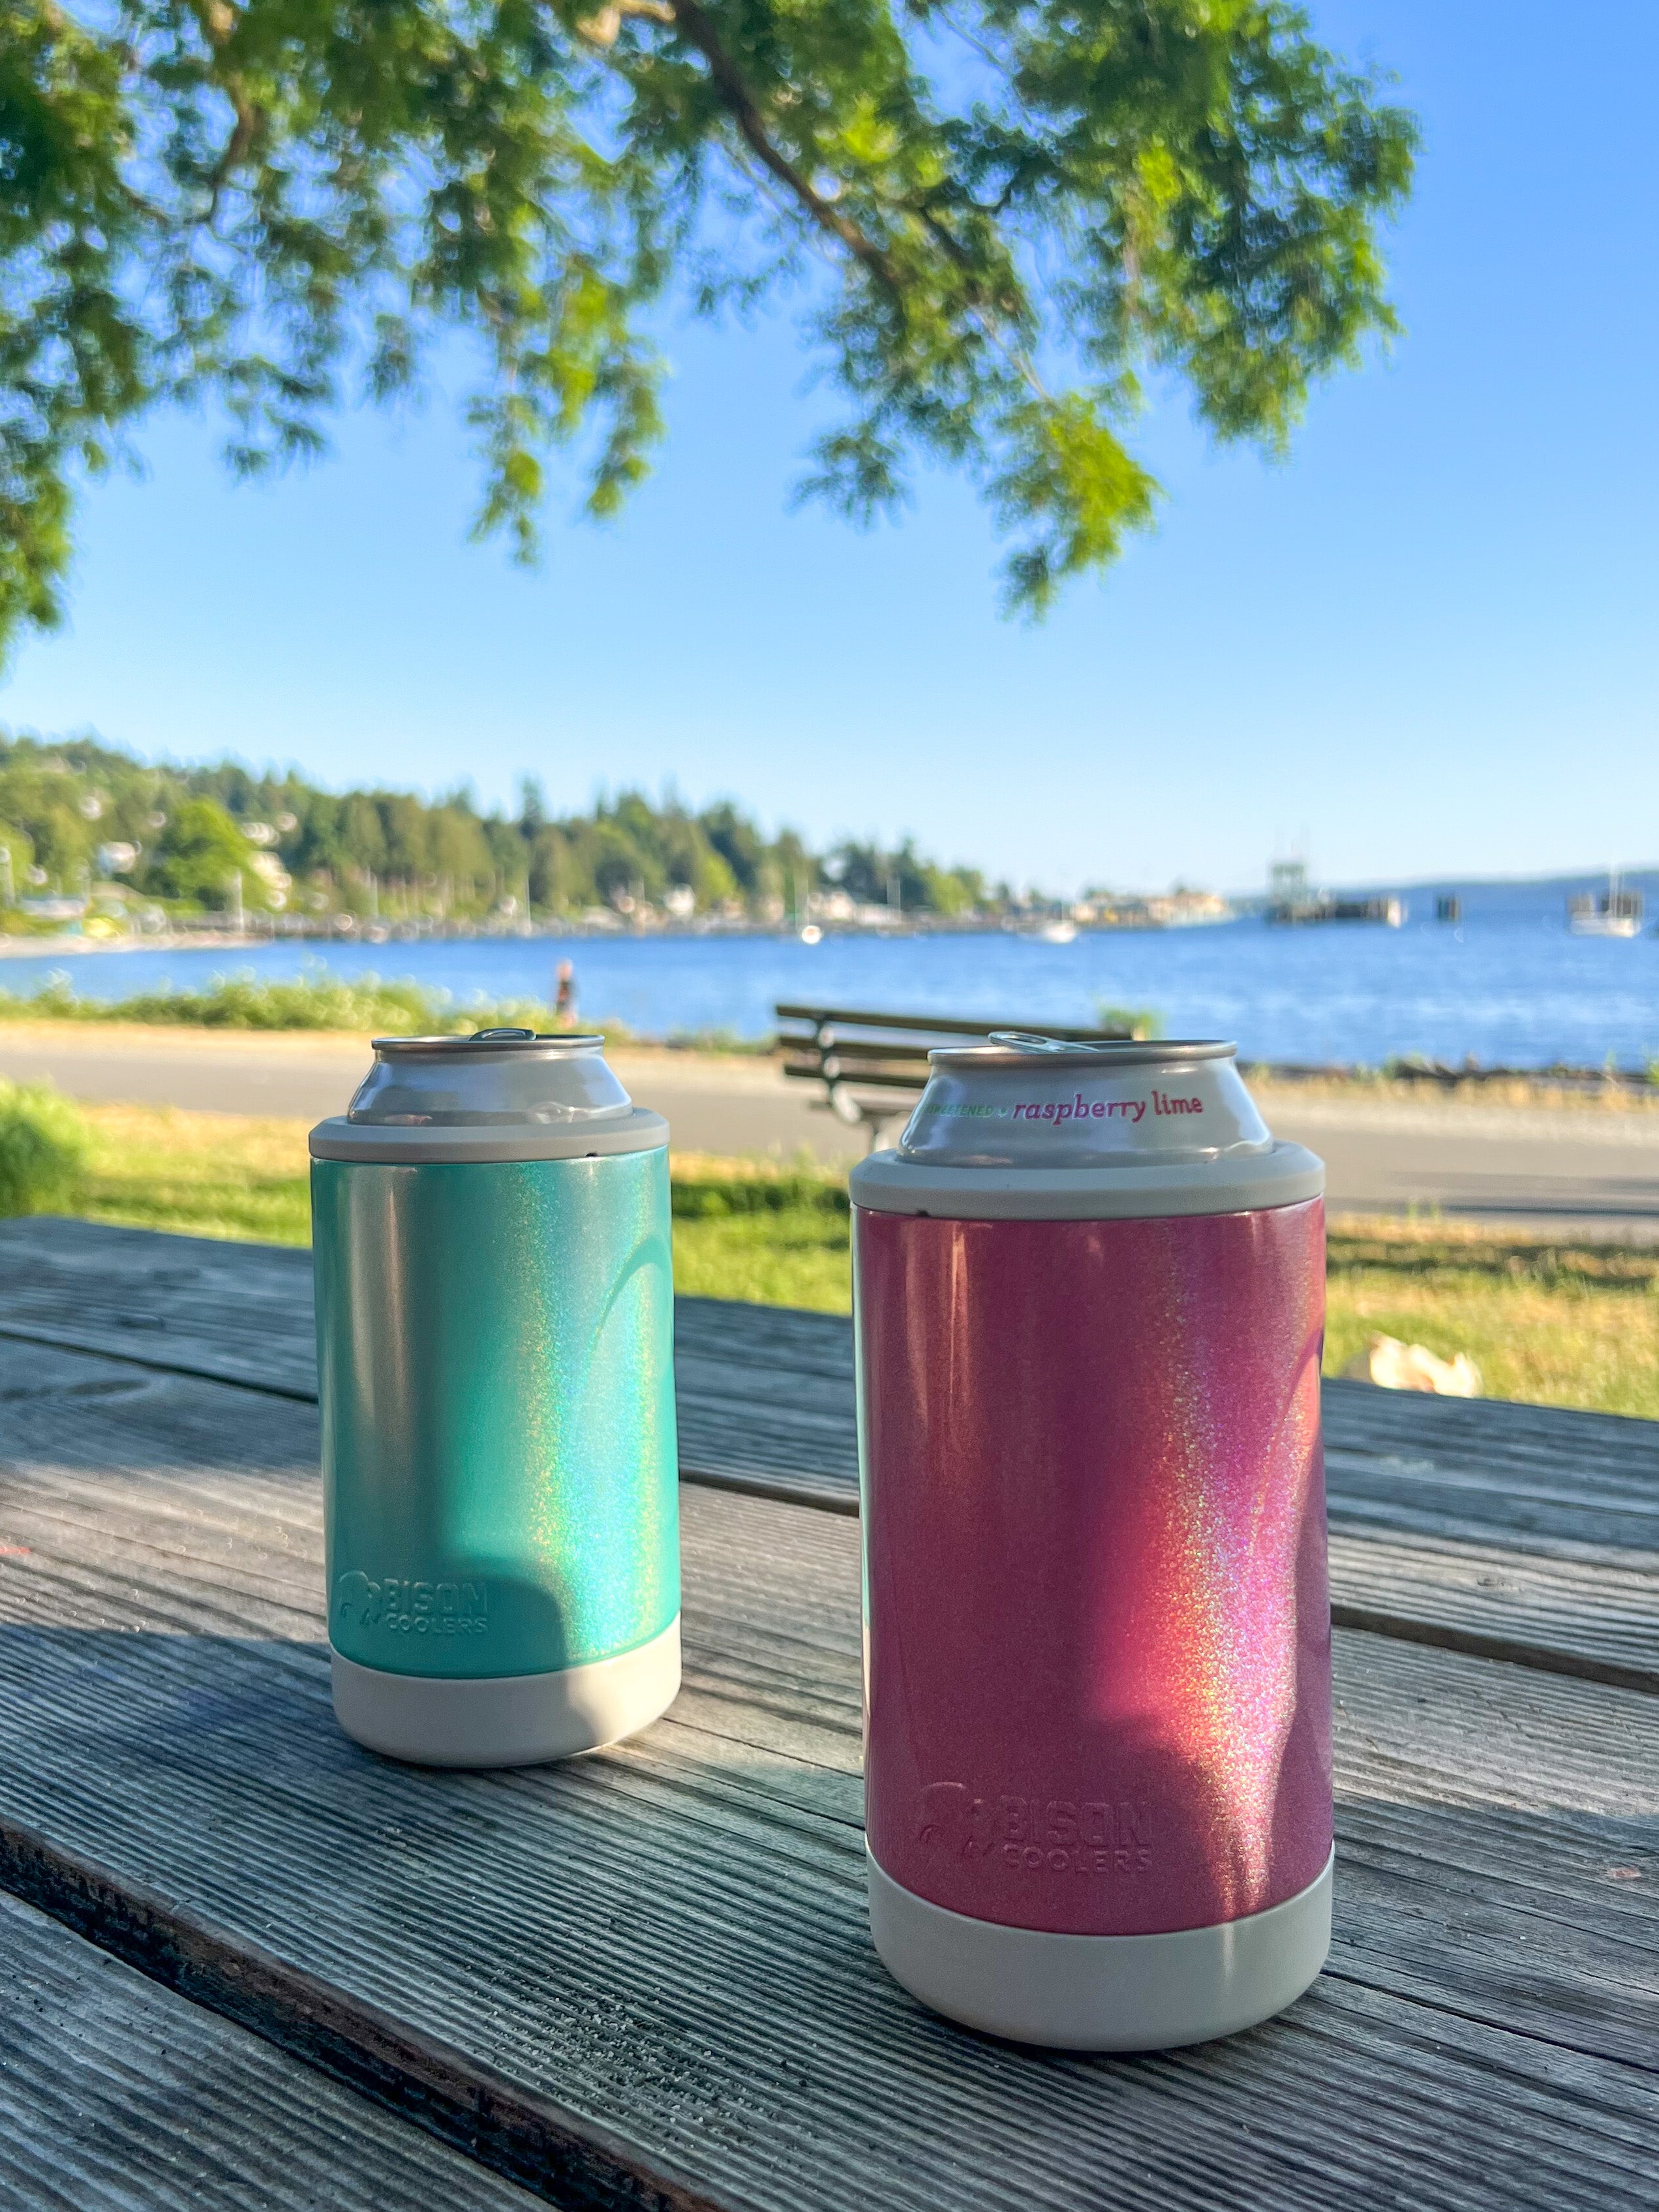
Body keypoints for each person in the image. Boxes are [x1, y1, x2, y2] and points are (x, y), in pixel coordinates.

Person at [554, 959, 577, 1027]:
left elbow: (564, 999)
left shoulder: (566, 984)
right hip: (565, 1012)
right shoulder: (565, 983)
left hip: (565, 1013)